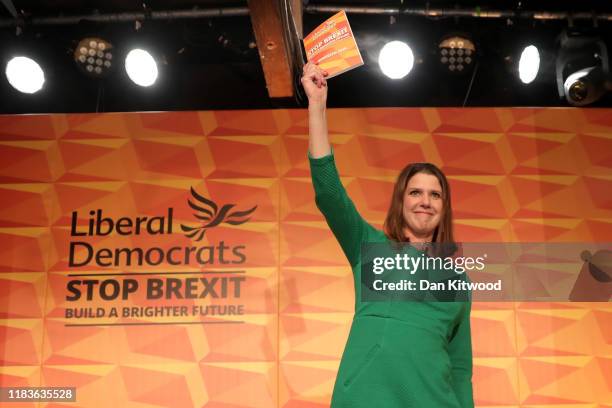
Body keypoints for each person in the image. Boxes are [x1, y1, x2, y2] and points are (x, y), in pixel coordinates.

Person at [301, 62, 474, 408]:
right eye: (415, 192)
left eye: (435, 194)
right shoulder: (370, 248)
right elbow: (329, 193)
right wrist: (317, 106)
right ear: (401, 201)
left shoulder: (457, 280)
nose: (425, 201)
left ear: (444, 207)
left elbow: (459, 368)